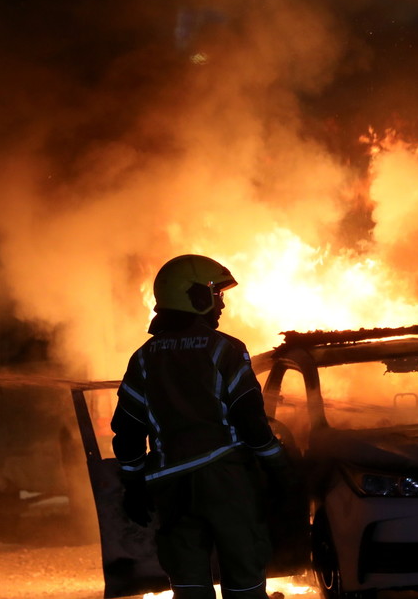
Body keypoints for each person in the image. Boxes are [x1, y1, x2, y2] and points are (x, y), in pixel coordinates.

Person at [110, 254, 290, 599]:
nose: (221, 305)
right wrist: (279, 468)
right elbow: (251, 421)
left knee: (189, 585)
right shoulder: (224, 349)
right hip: (226, 481)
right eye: (216, 294)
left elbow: (129, 429)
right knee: (245, 578)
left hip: (170, 487)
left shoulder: (143, 358)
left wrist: (132, 484)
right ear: (193, 296)